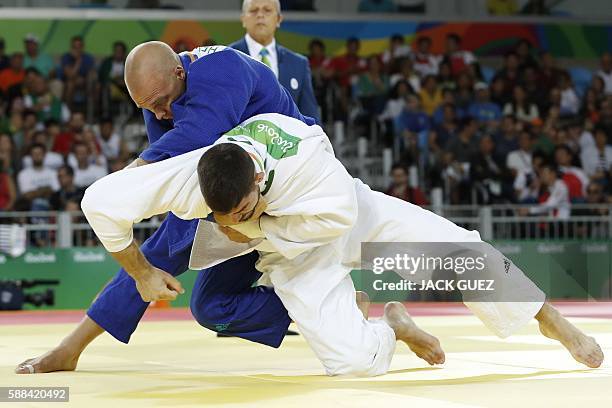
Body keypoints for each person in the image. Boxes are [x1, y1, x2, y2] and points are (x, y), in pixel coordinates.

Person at [79, 113, 603, 375]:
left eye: (238, 209)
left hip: (349, 218)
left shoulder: (308, 159)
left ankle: (550, 319)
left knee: (454, 250)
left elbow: (336, 221)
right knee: (351, 364)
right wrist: (141, 272)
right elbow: (98, 203)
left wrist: (253, 227)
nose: (229, 220)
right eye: (221, 214)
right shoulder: (190, 176)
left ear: (258, 179)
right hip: (289, 255)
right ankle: (390, 327)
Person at [15, 40, 314, 375]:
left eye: (160, 103)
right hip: (222, 193)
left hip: (288, 186)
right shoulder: (157, 97)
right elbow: (170, 164)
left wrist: (132, 175)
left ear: (179, 71)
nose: (159, 114)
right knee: (207, 305)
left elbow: (199, 136)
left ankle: (70, 348)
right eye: (148, 107)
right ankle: (319, 308)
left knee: (156, 253)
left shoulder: (224, 68)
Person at [229, 0, 320, 123]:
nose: (260, 15)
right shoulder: (226, 58)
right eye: (253, 10)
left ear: (278, 19)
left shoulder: (299, 64)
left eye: (267, 10)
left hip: (289, 141)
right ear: (243, 19)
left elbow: (310, 116)